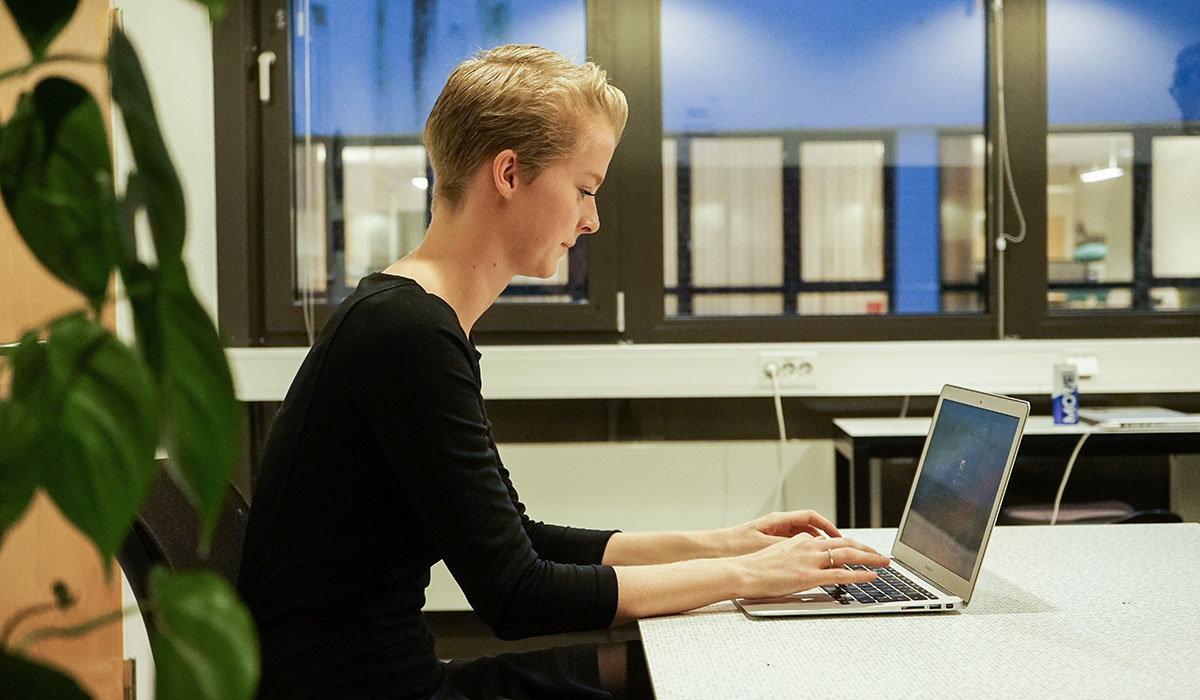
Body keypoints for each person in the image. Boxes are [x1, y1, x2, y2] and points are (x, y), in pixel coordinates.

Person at [238, 44, 889, 700]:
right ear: (510, 173)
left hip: (377, 680)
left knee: (665, 669)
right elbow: (518, 595)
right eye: (584, 189)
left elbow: (515, 540)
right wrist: (751, 576)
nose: (592, 219)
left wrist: (723, 546)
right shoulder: (407, 334)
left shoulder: (408, 318)